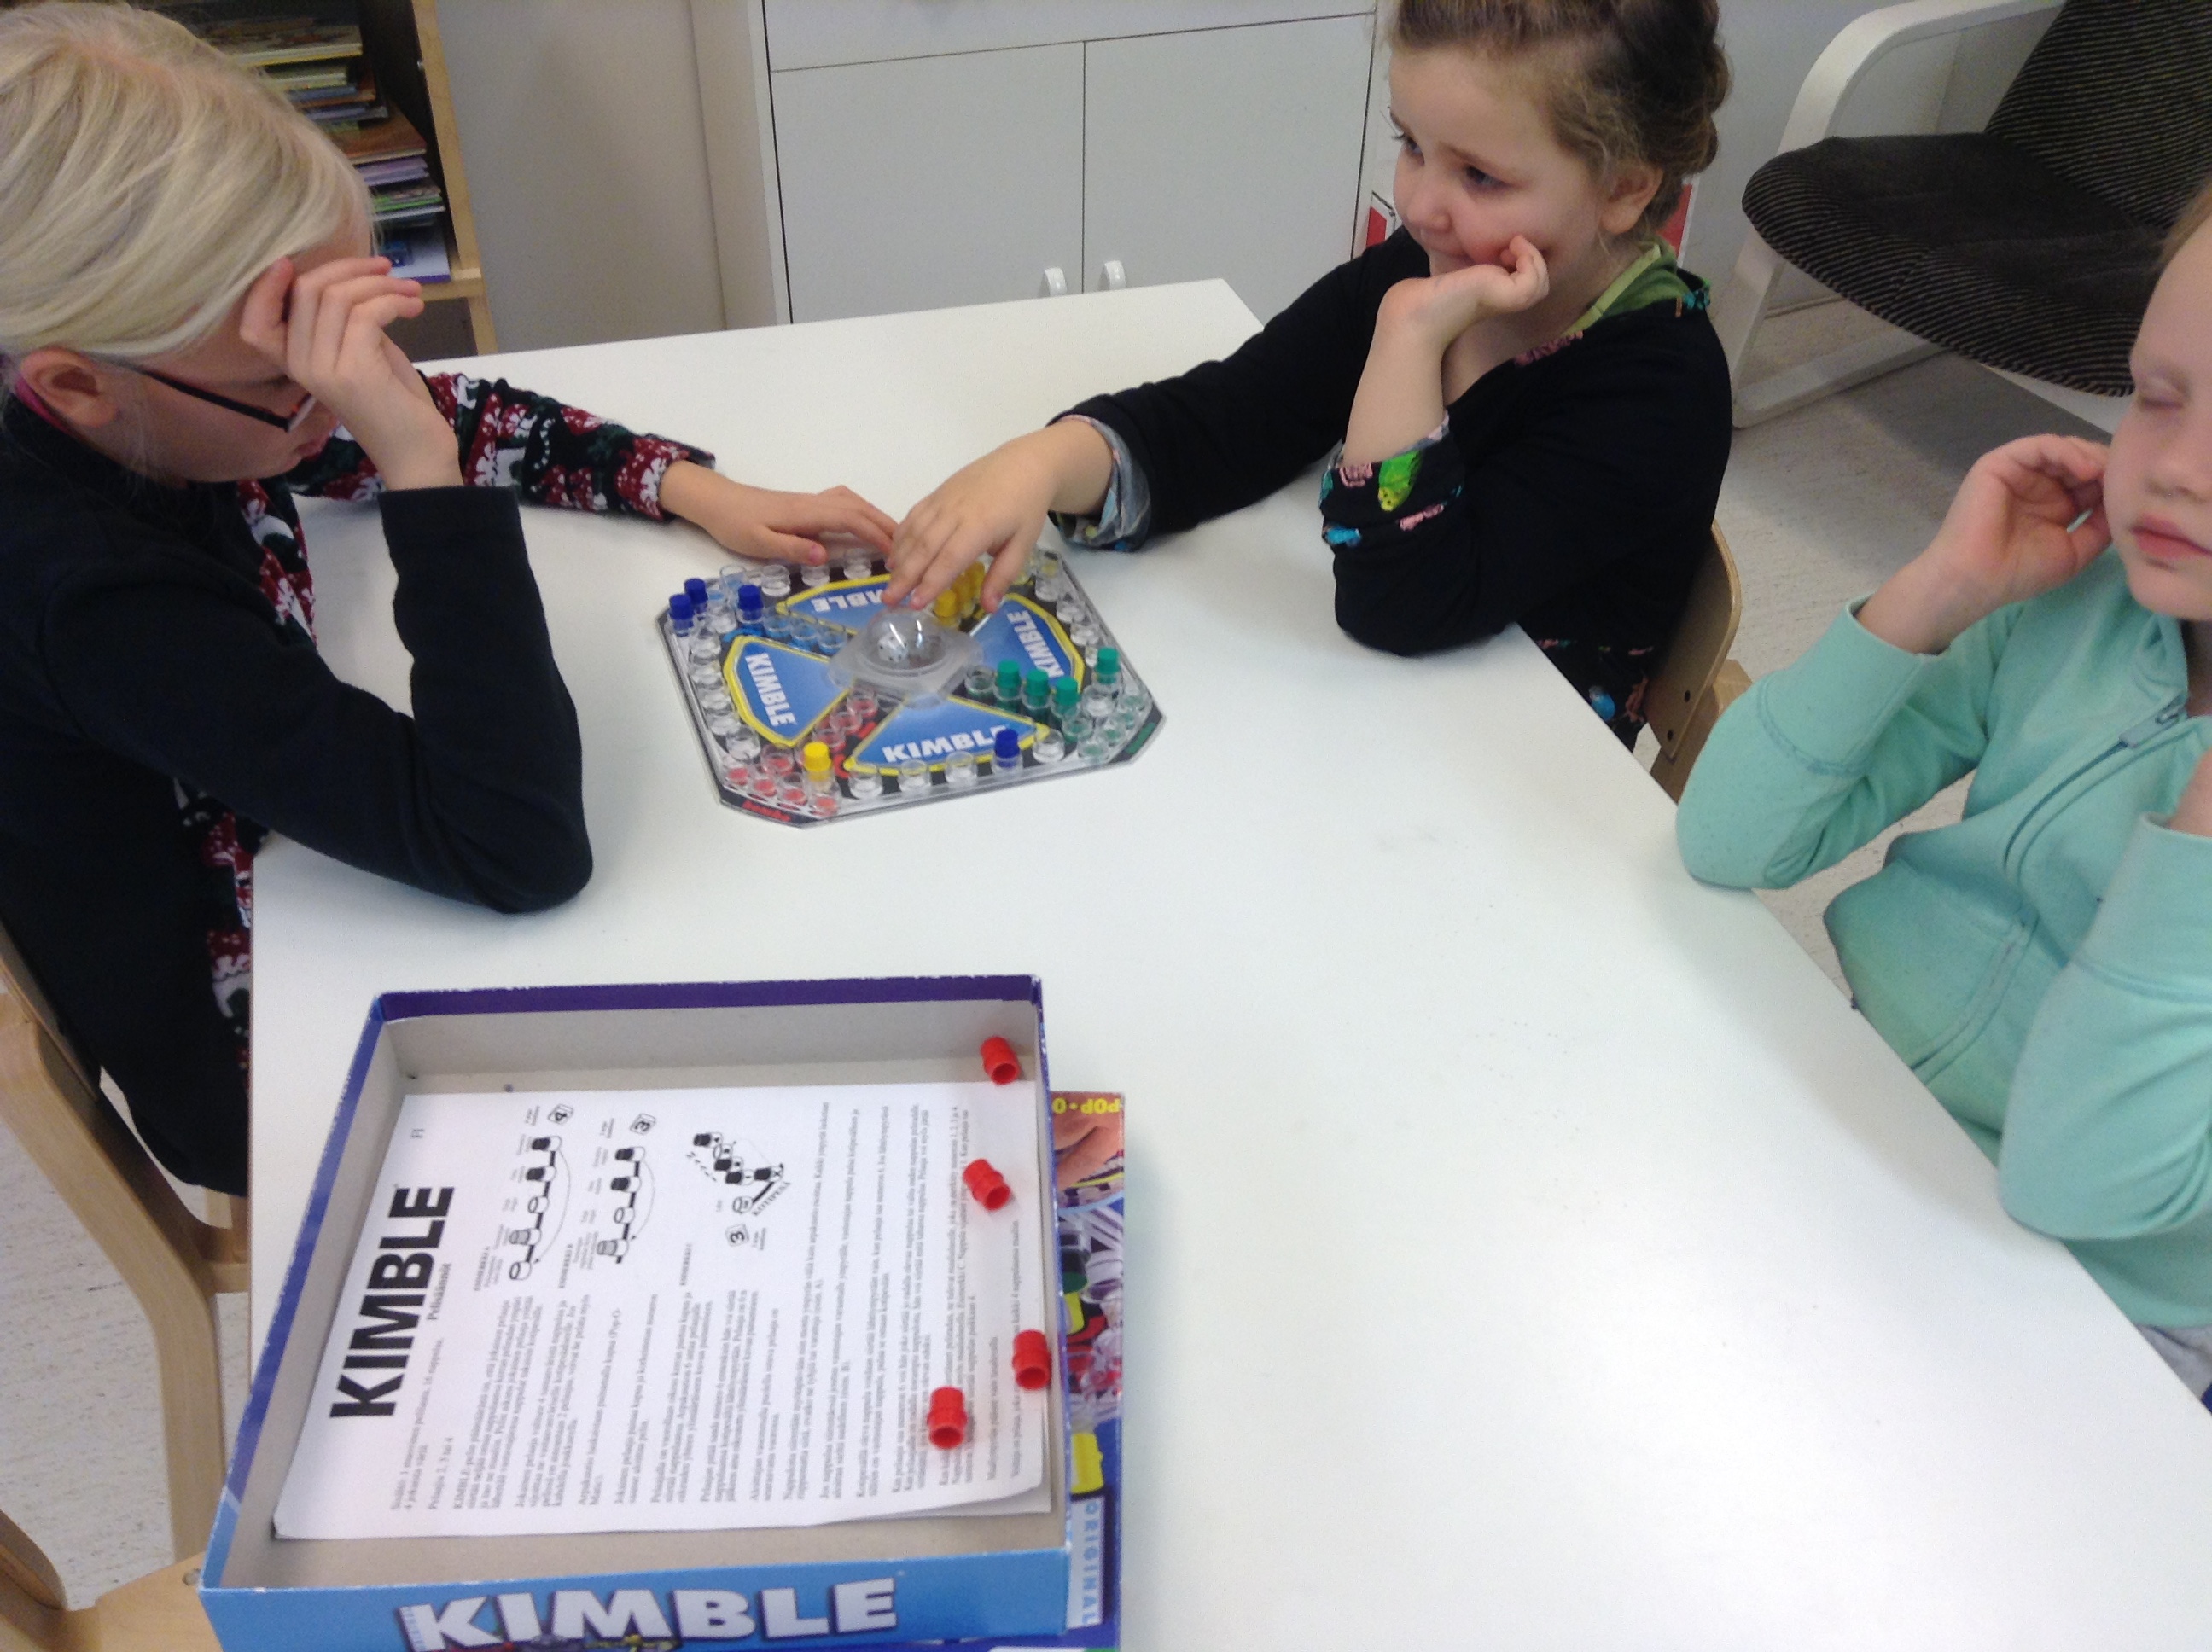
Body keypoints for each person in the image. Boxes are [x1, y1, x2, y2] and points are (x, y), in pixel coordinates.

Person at [0, 3, 894, 1195]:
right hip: (270, 1054)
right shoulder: (90, 597)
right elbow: (517, 846)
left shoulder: (147, 388)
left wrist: (689, 487)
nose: (343, 395)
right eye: (296, 377)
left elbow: (413, 412)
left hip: (300, 853)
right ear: (75, 385)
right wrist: (421, 472)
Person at [1676, 180, 2212, 1402]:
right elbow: (1728, 836)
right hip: (1878, 1104)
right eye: (2158, 396)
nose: (2176, 469)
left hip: (2104, 1300)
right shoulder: (2085, 603)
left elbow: (2074, 1183)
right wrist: (1933, 595)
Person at [885, 0, 1732, 741]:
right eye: (1411, 145)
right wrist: (1041, 462)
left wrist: (1407, 340)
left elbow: (1399, 599)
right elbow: (1232, 419)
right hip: (1361, 726)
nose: (1419, 206)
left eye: (1480, 175)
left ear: (1624, 189)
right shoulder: (1430, 264)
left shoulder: (1659, 390)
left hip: (1509, 794)